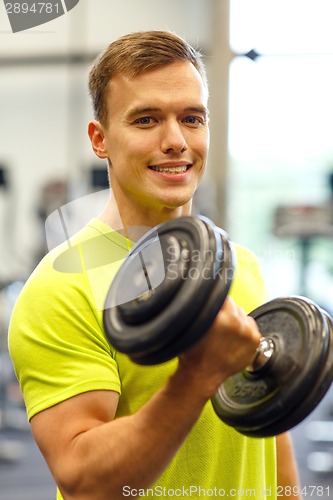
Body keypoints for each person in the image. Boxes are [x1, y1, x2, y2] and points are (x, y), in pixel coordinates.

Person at [8, 31, 301, 500]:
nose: (176, 141)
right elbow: (85, 482)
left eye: (192, 118)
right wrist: (198, 377)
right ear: (100, 139)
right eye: (146, 120)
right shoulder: (59, 291)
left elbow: (272, 431)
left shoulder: (240, 265)